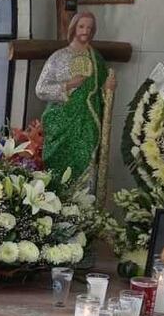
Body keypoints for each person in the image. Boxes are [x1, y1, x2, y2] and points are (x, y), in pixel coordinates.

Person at [35, 11, 116, 189]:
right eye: (81, 26)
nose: (85, 30)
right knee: (58, 168)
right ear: (73, 28)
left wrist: (107, 89)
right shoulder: (59, 57)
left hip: (88, 122)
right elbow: (41, 89)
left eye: (89, 27)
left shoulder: (96, 59)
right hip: (61, 121)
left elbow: (100, 93)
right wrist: (67, 85)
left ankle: (82, 209)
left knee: (86, 160)